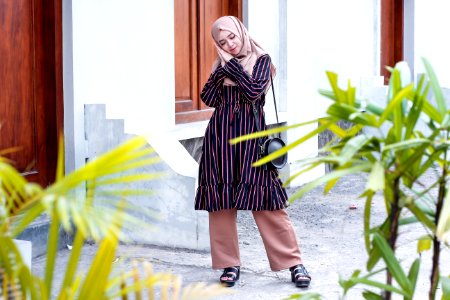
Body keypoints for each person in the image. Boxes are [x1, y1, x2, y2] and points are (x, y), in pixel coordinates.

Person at [194, 16, 311, 288]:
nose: (230, 45)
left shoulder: (261, 60)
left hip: (252, 142)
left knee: (268, 202)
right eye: (222, 42)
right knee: (221, 203)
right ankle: (229, 264)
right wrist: (222, 70)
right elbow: (209, 98)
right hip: (220, 141)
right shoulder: (220, 65)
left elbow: (253, 90)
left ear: (241, 33)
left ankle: (294, 263)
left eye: (232, 37)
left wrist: (230, 68)